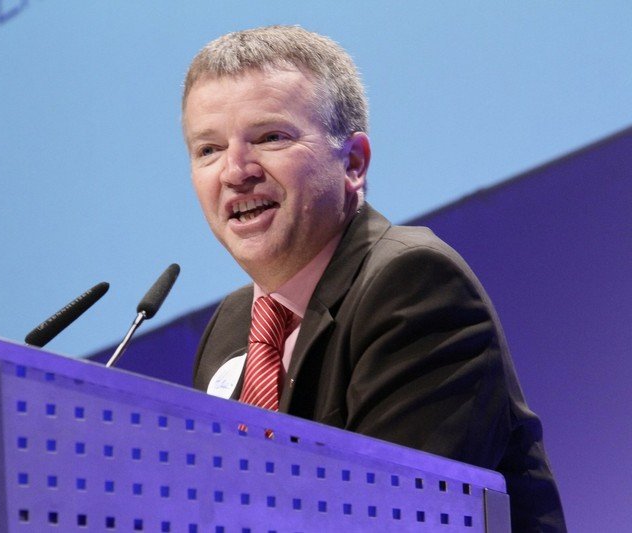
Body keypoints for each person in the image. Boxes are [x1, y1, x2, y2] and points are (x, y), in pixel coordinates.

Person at [183, 25, 565, 531]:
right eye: (208, 149)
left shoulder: (412, 284)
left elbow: (395, 516)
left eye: (270, 137)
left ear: (354, 163)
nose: (235, 171)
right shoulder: (232, 326)